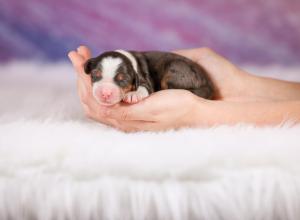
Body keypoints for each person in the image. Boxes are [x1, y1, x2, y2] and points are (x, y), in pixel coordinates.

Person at [68, 46, 300, 132]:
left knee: (170, 76)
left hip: (185, 78)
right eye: (97, 77)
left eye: (119, 80)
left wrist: (199, 112)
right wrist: (239, 85)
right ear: (91, 69)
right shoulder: (128, 65)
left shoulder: (139, 75)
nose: (105, 91)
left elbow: (145, 87)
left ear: (133, 77)